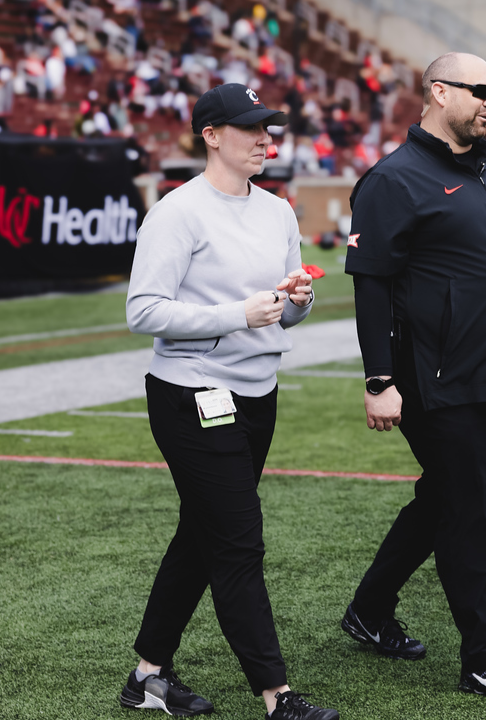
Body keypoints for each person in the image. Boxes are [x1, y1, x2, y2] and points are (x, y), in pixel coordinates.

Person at [341, 52, 486, 704]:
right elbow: (372, 288)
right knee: (466, 509)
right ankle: (484, 658)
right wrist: (379, 379)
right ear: (438, 92)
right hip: (435, 375)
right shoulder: (394, 179)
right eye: (480, 91)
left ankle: (369, 609)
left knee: (444, 496)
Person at [123, 83, 338, 720]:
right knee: (239, 543)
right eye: (251, 129)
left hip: (257, 392)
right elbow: (143, 311)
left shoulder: (277, 212)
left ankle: (147, 676)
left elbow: (288, 313)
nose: (266, 139)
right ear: (211, 135)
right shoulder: (177, 211)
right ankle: (278, 696)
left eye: (270, 128)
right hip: (191, 392)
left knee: (203, 535)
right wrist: (237, 314)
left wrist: (296, 302)